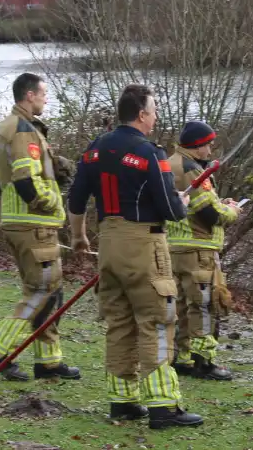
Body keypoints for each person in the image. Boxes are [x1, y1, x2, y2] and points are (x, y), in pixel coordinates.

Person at [68, 84, 204, 429]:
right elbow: (171, 210)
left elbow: (76, 198)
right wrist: (182, 202)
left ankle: (123, 401)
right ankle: (163, 406)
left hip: (108, 243)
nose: (156, 117)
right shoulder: (149, 153)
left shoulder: (94, 149)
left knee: (119, 323)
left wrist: (79, 235)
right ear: (142, 114)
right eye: (154, 110)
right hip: (144, 244)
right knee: (157, 320)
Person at [0, 73, 80, 382]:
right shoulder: (23, 130)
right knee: (41, 292)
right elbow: (25, 180)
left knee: (50, 292)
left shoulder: (8, 127)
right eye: (43, 93)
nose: (46, 99)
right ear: (29, 95)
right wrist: (49, 201)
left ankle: (48, 361)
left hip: (19, 222)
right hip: (33, 225)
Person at [165, 121, 241, 381]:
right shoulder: (191, 169)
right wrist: (232, 210)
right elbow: (208, 213)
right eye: (208, 144)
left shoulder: (170, 162)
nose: (210, 150)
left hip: (176, 247)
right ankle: (204, 361)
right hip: (198, 248)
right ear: (197, 146)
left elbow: (193, 203)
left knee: (183, 306)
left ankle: (182, 357)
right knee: (204, 306)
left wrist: (219, 202)